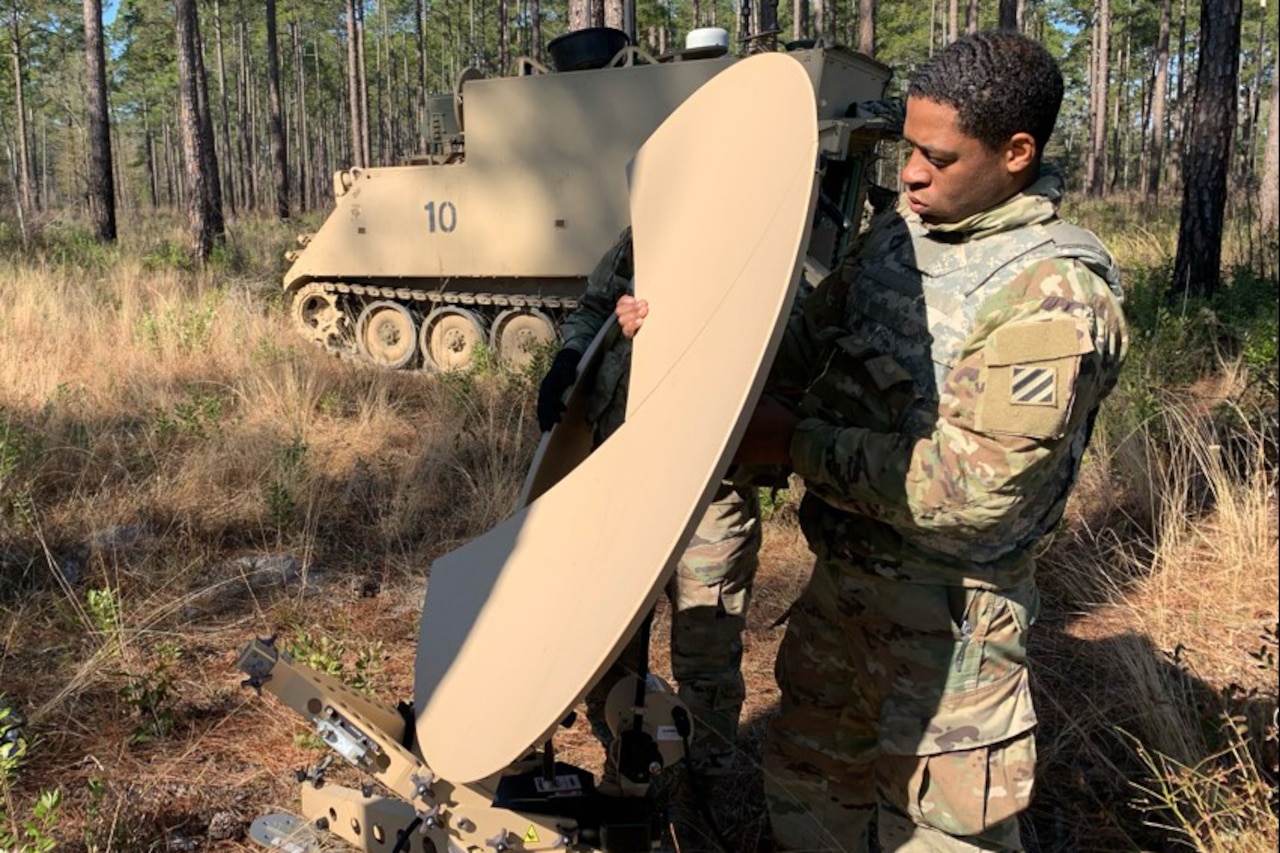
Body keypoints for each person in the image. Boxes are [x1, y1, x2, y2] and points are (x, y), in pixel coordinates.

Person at [621, 30, 1129, 852]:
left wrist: (795, 445)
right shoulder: (899, 239)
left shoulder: (1053, 291)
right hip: (839, 608)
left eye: (939, 156)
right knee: (809, 807)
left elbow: (975, 490)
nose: (914, 174)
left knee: (936, 836)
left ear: (1016, 152)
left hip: (952, 636)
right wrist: (678, 339)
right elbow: (793, 351)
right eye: (907, 151)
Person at [536, 229, 761, 782]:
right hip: (622, 476)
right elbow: (594, 306)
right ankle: (628, 769)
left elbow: (780, 342)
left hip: (709, 488)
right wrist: (574, 357)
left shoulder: (763, 222)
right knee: (606, 643)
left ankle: (701, 786)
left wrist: (678, 326)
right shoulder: (655, 222)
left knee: (705, 653)